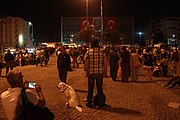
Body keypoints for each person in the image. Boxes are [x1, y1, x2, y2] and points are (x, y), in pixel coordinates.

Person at [84, 39, 106, 108]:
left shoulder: (88, 52)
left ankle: (89, 102)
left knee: (90, 88)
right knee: (99, 88)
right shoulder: (102, 52)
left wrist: (87, 73)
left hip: (91, 73)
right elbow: (105, 63)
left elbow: (87, 64)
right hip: (99, 73)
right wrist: (104, 72)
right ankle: (100, 103)